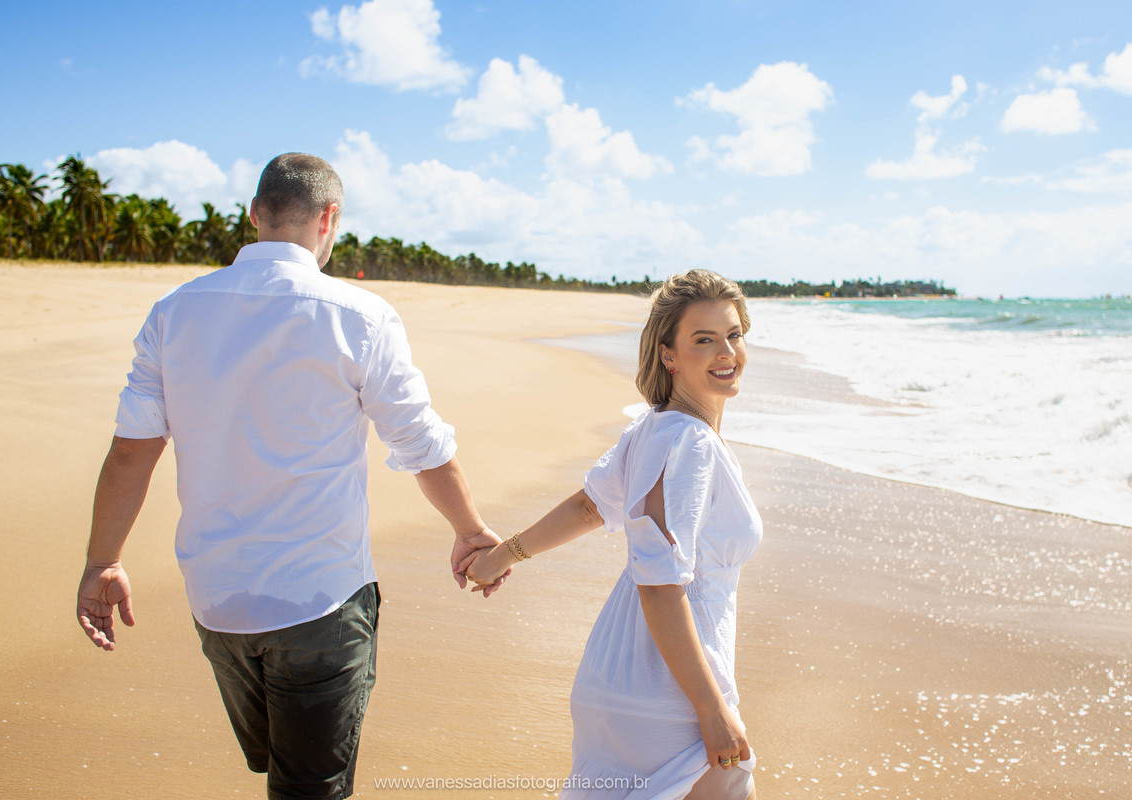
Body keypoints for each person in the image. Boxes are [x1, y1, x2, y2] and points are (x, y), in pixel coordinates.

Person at [75, 153, 506, 800]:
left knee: (281, 769)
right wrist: (471, 532)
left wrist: (101, 561)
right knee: (310, 786)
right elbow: (421, 443)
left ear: (255, 214)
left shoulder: (175, 311)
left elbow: (132, 453)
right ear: (329, 218)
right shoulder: (360, 316)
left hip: (217, 602)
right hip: (321, 602)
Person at [462, 269, 762, 800]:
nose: (726, 352)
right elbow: (659, 583)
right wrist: (711, 709)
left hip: (619, 674)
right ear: (669, 354)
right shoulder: (690, 443)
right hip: (668, 694)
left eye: (734, 335)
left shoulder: (653, 427)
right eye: (704, 339)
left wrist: (503, 555)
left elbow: (588, 507)